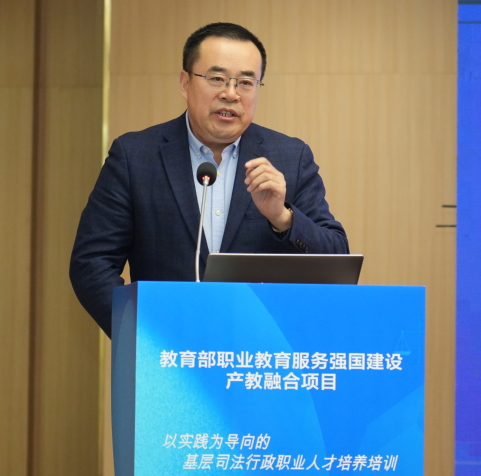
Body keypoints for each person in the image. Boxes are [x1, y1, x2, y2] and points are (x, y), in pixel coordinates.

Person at [70, 22, 349, 336]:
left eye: (246, 82)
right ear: (185, 83)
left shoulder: (290, 158)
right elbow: (92, 263)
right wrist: (141, 337)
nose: (230, 94)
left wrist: (282, 218)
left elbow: (337, 262)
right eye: (217, 79)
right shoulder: (135, 156)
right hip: (167, 352)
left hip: (261, 351)